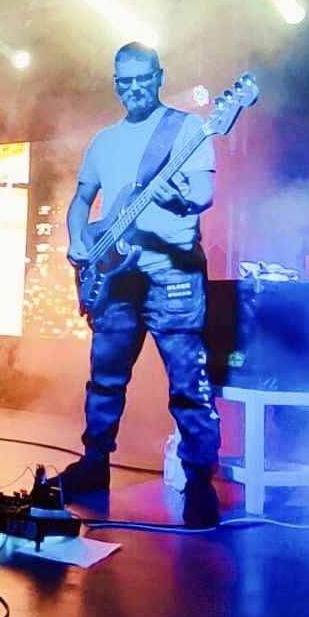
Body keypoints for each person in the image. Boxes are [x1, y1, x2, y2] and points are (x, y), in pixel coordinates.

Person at [58, 42, 222, 527]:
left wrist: (180, 199)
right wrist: (78, 240)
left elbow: (204, 193)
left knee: (188, 382)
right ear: (115, 84)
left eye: (142, 78)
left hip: (172, 271)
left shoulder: (187, 128)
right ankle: (94, 463)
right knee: (105, 376)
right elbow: (81, 200)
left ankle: (199, 482)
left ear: (159, 76)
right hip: (116, 274)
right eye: (125, 81)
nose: (134, 88)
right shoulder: (104, 141)